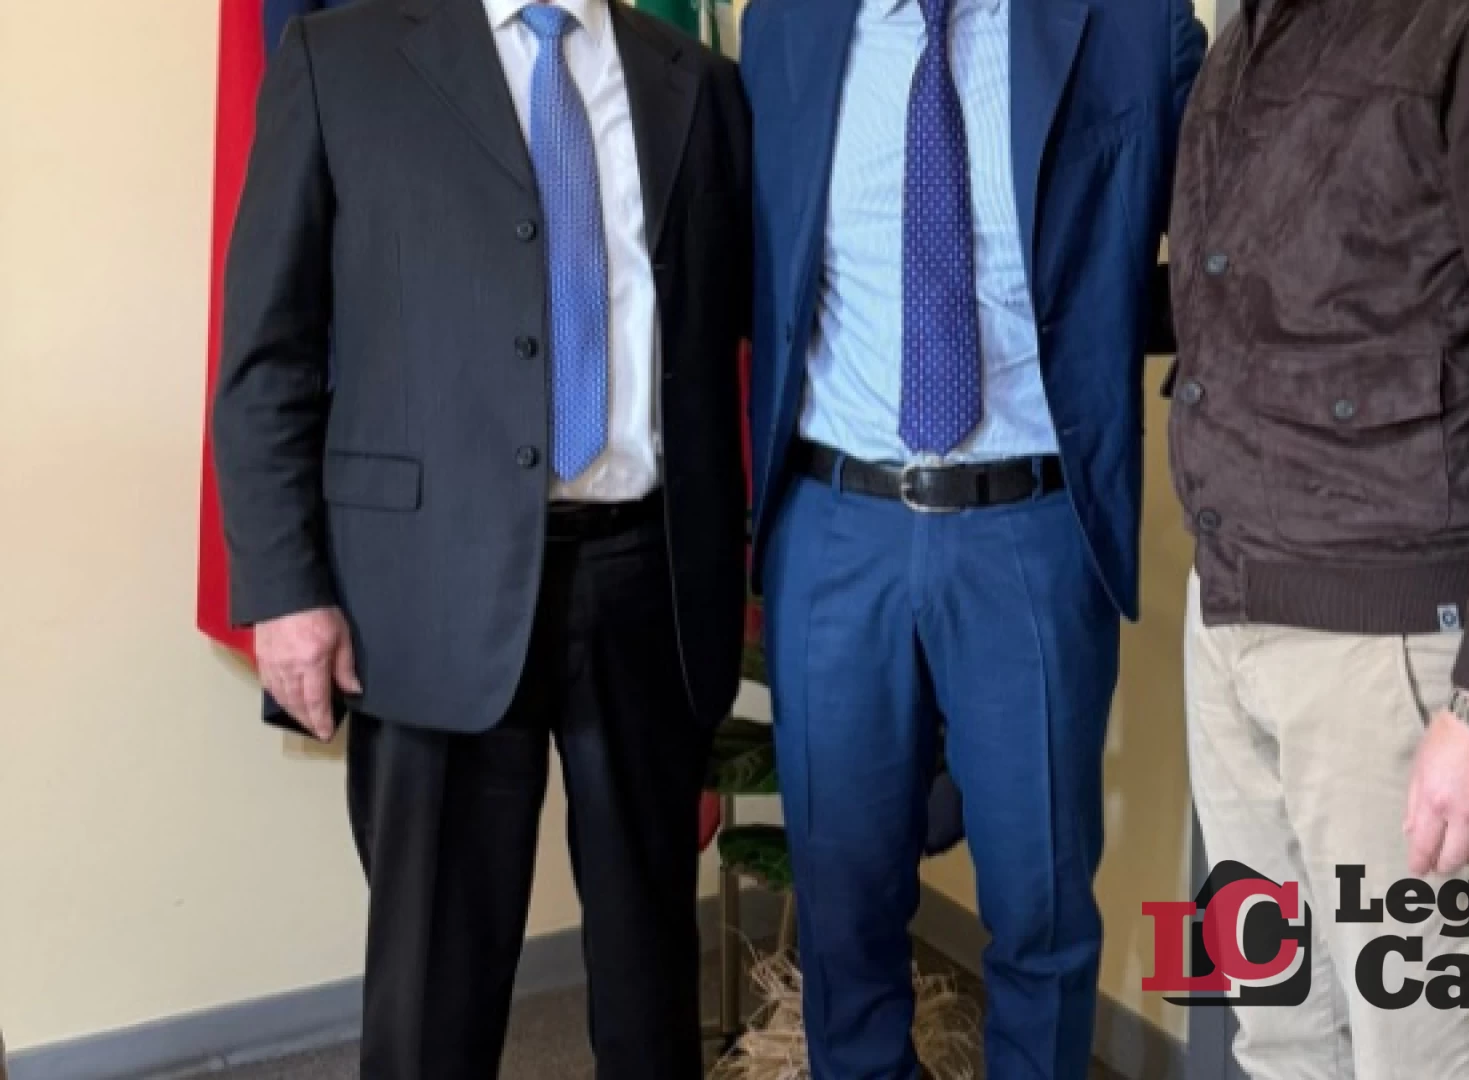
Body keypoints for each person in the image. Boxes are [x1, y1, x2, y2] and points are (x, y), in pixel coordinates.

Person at [211, 0, 749, 1075]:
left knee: (652, 980)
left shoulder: (691, 76)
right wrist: (285, 586)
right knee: (432, 996)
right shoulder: (342, 57)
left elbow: (729, 321)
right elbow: (270, 352)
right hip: (429, 590)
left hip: (650, 580)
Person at [1165, 0, 1469, 1076]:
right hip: (1231, 612)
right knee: (1282, 1035)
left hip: (1394, 654)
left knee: (1422, 1055)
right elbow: (1258, 290)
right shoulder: (1259, 28)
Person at [738, 0, 1203, 1072]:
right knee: (844, 908)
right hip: (835, 530)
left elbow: (1244, 232)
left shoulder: (1131, 29)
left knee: (1042, 915)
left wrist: (1107, 319)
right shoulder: (786, 30)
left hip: (1030, 536)